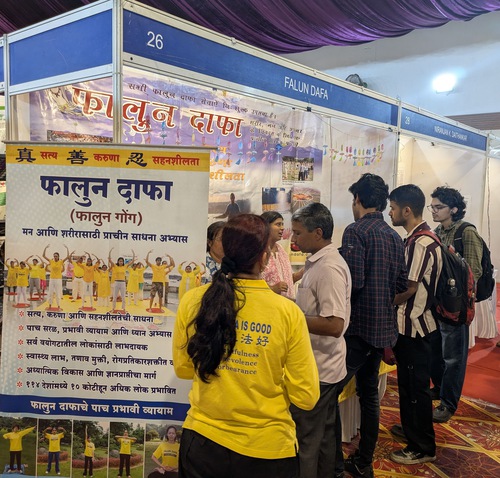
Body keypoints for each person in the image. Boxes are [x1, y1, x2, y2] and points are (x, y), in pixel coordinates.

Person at [173, 214, 320, 478]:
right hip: (268, 450)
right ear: (264, 257)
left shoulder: (194, 300)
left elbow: (184, 369)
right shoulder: (287, 312)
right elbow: (306, 397)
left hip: (202, 445)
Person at [339, 173, 408, 478]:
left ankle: (331, 463)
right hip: (382, 330)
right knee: (369, 397)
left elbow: (354, 282)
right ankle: (364, 461)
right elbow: (401, 284)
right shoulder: (394, 236)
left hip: (357, 329)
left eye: (353, 200)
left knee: (327, 394)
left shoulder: (355, 231)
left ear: (358, 200)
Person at [289, 203, 352, 478]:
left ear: (317, 233)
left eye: (297, 233)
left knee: (307, 439)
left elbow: (335, 324)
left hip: (320, 369)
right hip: (320, 366)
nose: (293, 239)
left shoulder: (328, 268)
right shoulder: (317, 263)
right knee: (324, 437)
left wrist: (291, 317)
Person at [388, 184, 442, 464]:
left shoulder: (421, 243)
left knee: (416, 389)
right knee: (410, 386)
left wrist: (385, 302)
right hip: (413, 326)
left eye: (393, 208)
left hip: (415, 327)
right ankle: (412, 431)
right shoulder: (418, 239)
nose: (390, 213)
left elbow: (408, 289)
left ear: (407, 210)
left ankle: (422, 446)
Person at [428, 186, 483, 423]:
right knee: (436, 352)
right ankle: (440, 388)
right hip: (439, 301)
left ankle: (448, 403)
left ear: (454, 209)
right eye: (432, 207)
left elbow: (474, 271)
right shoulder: (437, 231)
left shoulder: (466, 232)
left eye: (438, 207)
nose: (434, 211)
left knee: (453, 358)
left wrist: (457, 298)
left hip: (457, 305)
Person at [261, 211, 303, 300]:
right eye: (278, 224)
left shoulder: (281, 251)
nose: (282, 228)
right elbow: (252, 283)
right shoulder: (258, 252)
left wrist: (301, 273)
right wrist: (272, 289)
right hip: (268, 304)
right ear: (266, 226)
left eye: (282, 224)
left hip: (287, 304)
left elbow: (288, 280)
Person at [43, 245, 71, 310]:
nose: (55, 257)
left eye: (56, 256)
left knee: (58, 293)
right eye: (54, 256)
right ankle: (50, 305)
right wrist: (45, 248)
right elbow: (43, 256)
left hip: (58, 279)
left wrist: (67, 248)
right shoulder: (51, 261)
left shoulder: (60, 262)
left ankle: (58, 306)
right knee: (50, 292)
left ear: (58, 256)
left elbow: (68, 257)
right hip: (52, 279)